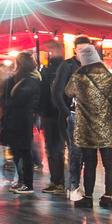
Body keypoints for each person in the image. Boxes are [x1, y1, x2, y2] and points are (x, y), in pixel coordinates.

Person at [66, 43, 112, 209]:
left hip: (86, 128)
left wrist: (78, 72)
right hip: (108, 128)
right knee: (109, 162)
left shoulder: (78, 78)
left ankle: (88, 197)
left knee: (89, 163)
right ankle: (108, 197)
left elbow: (68, 92)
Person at [37, 42, 79, 196]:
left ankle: (58, 182)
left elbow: (45, 94)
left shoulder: (48, 71)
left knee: (55, 149)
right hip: (70, 112)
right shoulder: (73, 67)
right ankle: (74, 185)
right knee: (73, 149)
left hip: (53, 114)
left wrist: (42, 111)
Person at [0, 54, 42, 194]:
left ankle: (28, 183)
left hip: (23, 119)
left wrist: (7, 101)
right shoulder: (18, 80)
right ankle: (22, 179)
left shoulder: (31, 81)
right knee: (16, 150)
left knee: (24, 151)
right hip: (12, 118)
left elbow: (20, 100)